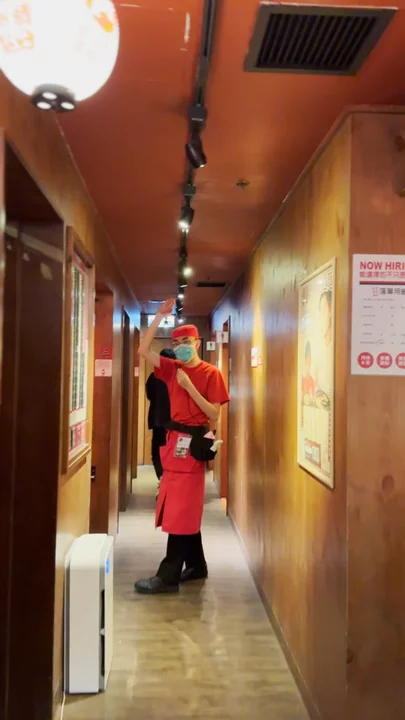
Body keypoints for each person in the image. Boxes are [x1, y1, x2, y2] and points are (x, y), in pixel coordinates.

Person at [135, 299, 230, 594]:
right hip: (174, 442)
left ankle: (168, 575)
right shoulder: (171, 368)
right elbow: (143, 350)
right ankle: (197, 565)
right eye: (176, 343)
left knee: (180, 508)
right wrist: (158, 317)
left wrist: (189, 387)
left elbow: (214, 414)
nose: (181, 347)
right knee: (182, 506)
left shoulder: (211, 373)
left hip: (194, 443)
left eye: (186, 342)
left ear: (197, 343)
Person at [146, 348, 176, 496]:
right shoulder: (179, 376)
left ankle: (162, 478)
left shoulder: (153, 376)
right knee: (173, 452)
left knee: (157, 452)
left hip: (158, 421)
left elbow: (149, 395)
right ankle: (171, 482)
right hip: (175, 422)